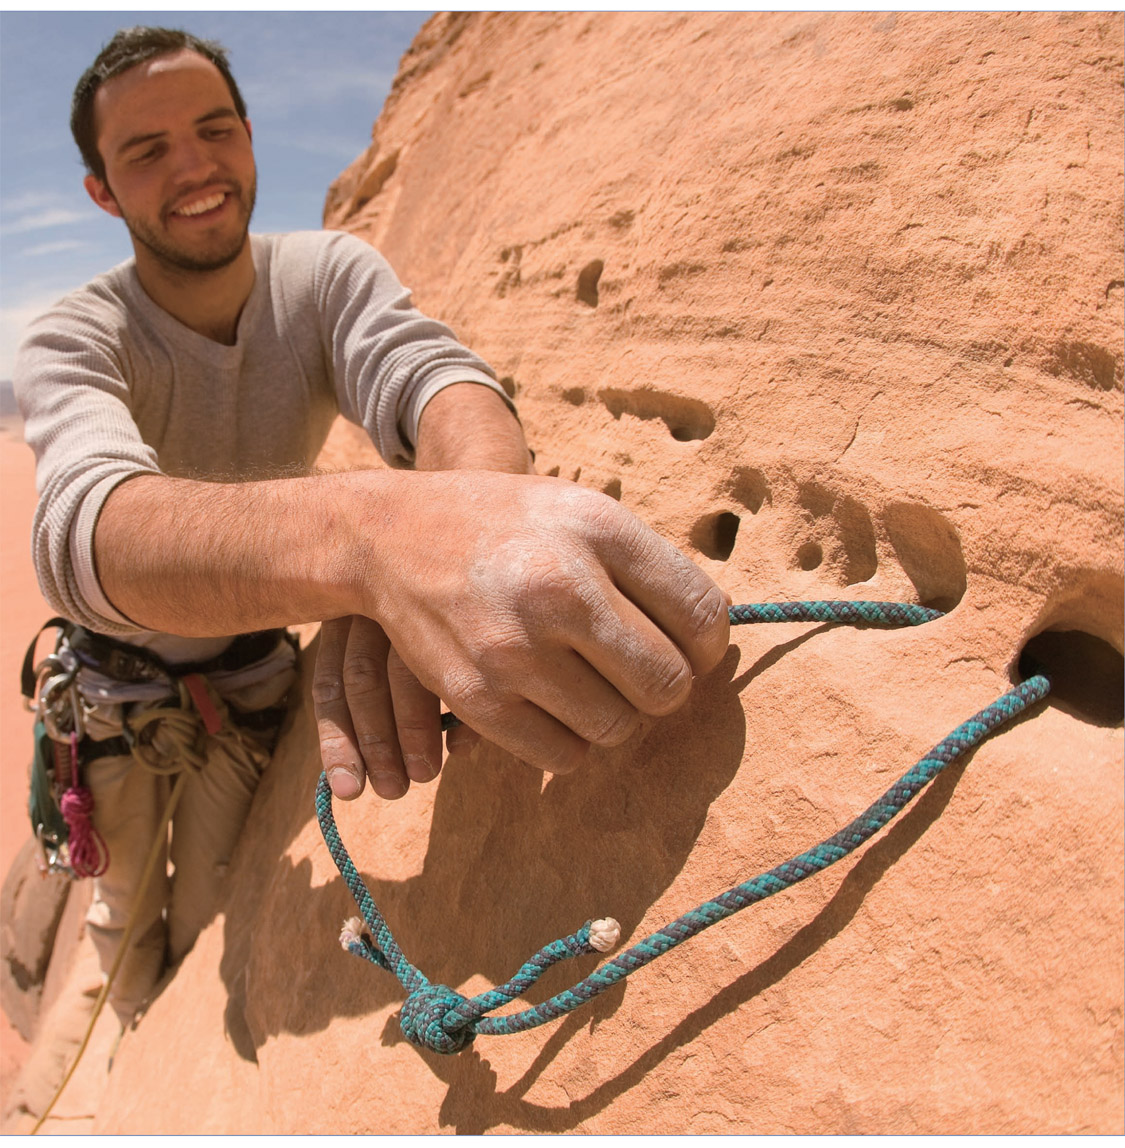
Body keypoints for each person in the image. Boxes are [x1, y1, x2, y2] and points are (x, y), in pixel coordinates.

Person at [14, 26, 730, 1027]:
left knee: (214, 888)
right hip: (122, 694)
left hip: (248, 676)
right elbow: (85, 527)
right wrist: (373, 544)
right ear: (102, 190)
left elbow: (433, 376)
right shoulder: (75, 332)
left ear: (252, 138)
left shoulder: (324, 274)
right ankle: (129, 1037)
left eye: (214, 127)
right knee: (129, 898)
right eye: (145, 149)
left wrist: (466, 523)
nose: (194, 164)